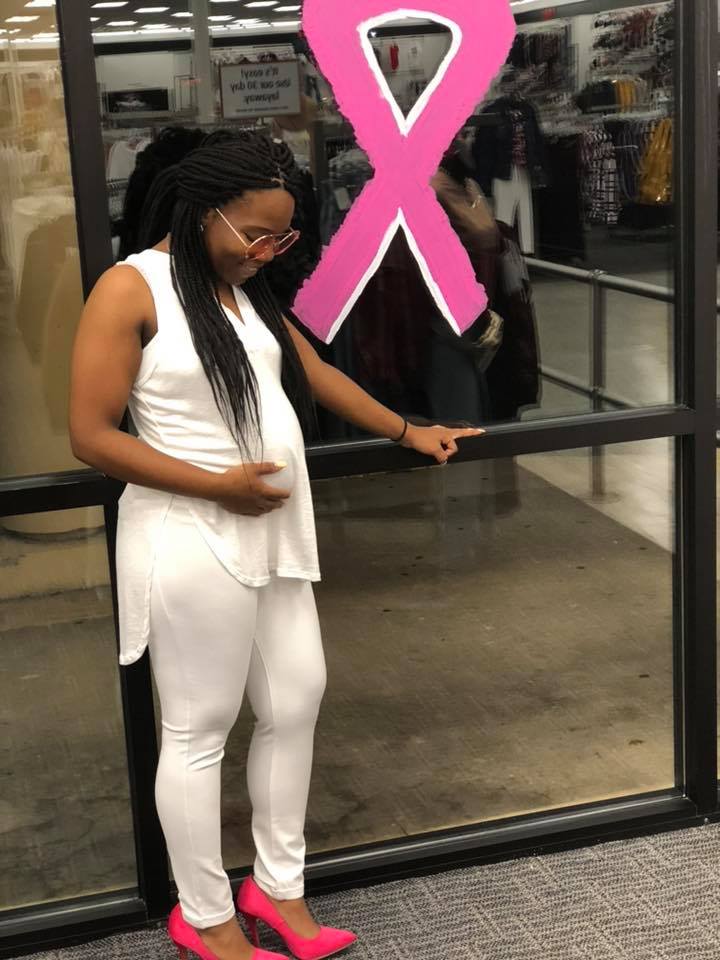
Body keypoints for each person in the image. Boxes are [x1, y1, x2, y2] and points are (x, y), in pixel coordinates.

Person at [68, 133, 484, 960]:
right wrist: (214, 484)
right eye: (255, 234)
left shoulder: (240, 291)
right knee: (199, 731)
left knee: (296, 701)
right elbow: (89, 434)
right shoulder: (130, 288)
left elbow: (313, 373)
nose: (267, 252)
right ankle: (205, 917)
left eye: (281, 238)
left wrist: (408, 429)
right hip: (192, 536)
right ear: (202, 212)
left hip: (272, 534)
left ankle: (278, 890)